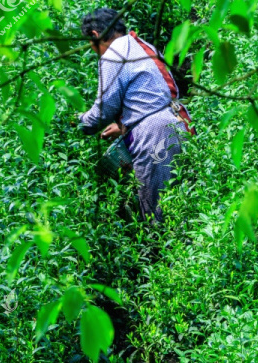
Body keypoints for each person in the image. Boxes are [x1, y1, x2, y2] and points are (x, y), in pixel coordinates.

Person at [78, 7, 189, 224]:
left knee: (157, 215)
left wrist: (75, 123)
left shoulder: (114, 54)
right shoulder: (139, 45)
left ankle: (165, 257)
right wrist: (124, 126)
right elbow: (154, 96)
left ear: (95, 35)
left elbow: (103, 111)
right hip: (178, 124)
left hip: (154, 136)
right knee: (183, 205)